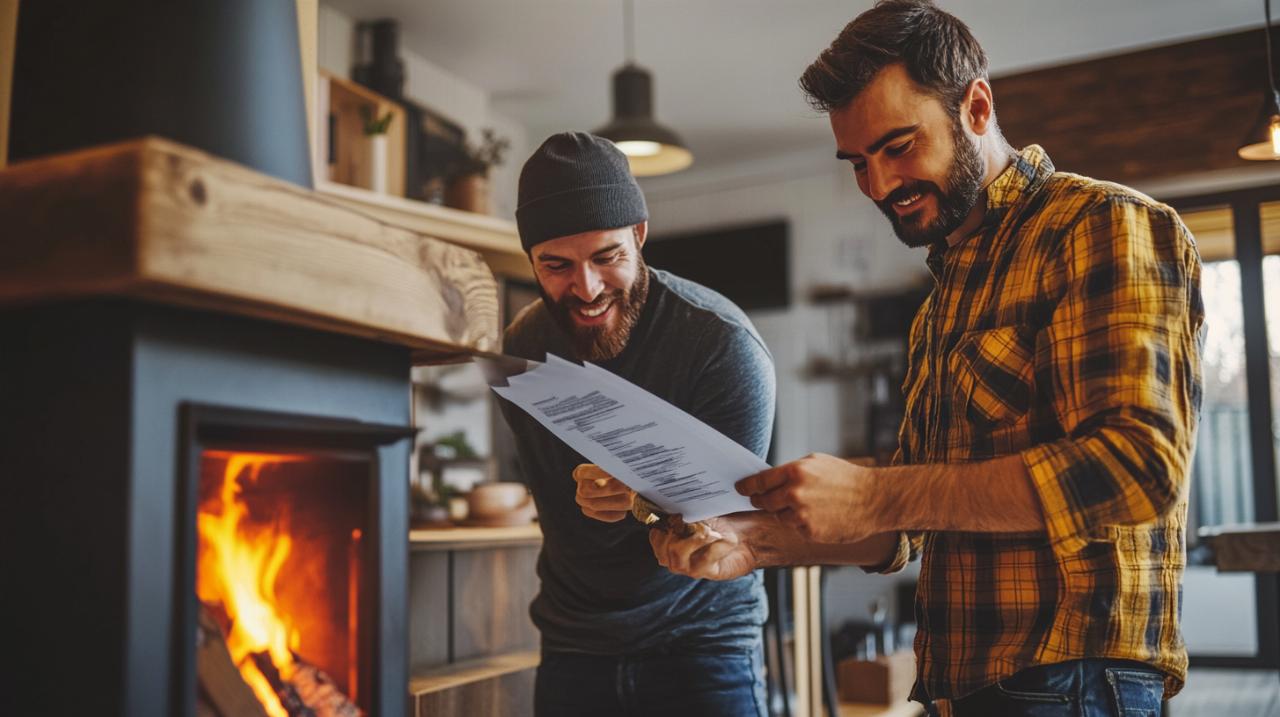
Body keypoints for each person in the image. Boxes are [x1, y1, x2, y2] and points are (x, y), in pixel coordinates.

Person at [645, 2, 1204, 715]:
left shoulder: (1102, 225)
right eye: (859, 163)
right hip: (960, 690)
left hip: (1072, 684)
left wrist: (877, 492)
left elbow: (1137, 467)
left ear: (977, 107)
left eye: (899, 146)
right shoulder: (941, 305)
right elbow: (911, 527)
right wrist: (753, 543)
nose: (879, 185)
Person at [498, 131, 776, 717]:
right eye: (556, 265)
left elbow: (732, 528)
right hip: (573, 642)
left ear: (640, 235)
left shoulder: (722, 346)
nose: (587, 289)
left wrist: (642, 497)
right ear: (531, 262)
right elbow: (559, 511)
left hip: (701, 640)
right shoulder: (523, 350)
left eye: (607, 257)